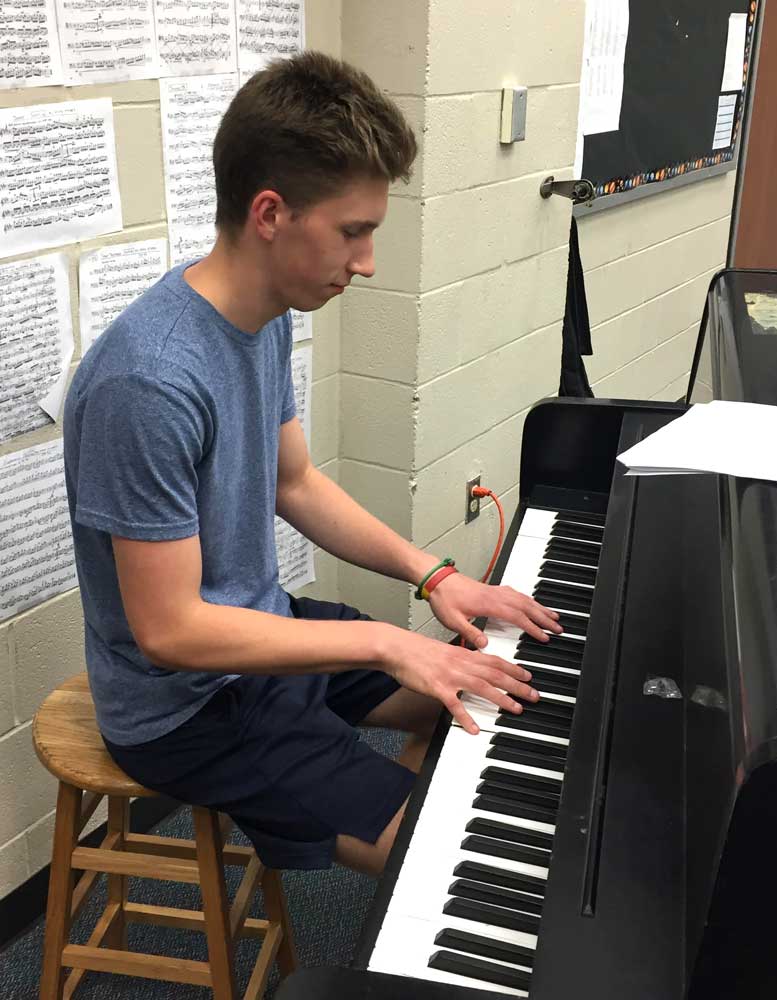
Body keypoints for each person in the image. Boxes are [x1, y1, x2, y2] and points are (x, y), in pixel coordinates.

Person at [62, 51, 561, 878]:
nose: (365, 262)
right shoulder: (146, 380)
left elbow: (294, 482)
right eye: (353, 231)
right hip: (185, 709)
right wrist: (383, 643)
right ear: (270, 213)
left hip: (262, 632)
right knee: (449, 865)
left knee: (485, 692)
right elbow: (171, 630)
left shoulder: (263, 315)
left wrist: (434, 577)